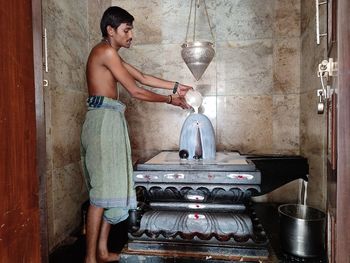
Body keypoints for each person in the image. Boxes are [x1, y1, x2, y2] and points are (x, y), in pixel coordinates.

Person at [80, 6, 192, 263]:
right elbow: (136, 91)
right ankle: (89, 258)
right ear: (111, 30)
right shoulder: (105, 51)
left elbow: (141, 76)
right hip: (102, 122)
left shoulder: (110, 54)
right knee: (100, 194)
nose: (131, 35)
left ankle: (102, 251)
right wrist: (171, 100)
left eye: (131, 30)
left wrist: (177, 87)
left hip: (110, 119)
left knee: (111, 186)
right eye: (126, 30)